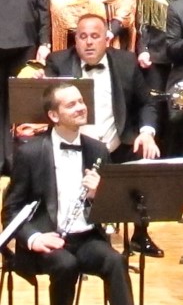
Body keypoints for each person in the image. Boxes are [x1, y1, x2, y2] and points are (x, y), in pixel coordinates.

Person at [1, 83, 155, 305]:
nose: (81, 107)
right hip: (47, 241)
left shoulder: (97, 149)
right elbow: (11, 209)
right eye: (71, 104)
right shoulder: (31, 152)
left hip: (86, 237)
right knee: (65, 265)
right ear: (53, 115)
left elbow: (111, 212)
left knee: (115, 261)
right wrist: (34, 238)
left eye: (81, 101)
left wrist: (101, 194)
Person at [45, 13, 162, 256]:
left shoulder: (126, 62)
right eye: (83, 37)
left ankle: (140, 234)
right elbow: (47, 105)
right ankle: (75, 235)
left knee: (142, 155)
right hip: (78, 146)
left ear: (106, 39)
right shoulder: (58, 62)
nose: (89, 42)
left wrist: (147, 132)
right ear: (75, 40)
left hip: (117, 144)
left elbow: (146, 102)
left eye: (95, 36)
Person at [0, 0, 51, 172]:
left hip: (25, 48)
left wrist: (45, 43)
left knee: (22, 108)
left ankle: (20, 165)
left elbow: (44, 10)